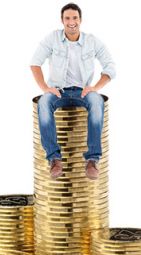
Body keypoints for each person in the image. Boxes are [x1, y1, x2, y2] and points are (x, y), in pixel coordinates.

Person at [30, 3, 116, 180]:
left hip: (82, 92)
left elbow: (110, 67)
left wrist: (95, 87)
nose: (71, 22)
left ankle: (92, 160)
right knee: (44, 102)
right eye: (67, 18)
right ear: (62, 20)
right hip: (58, 92)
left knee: (97, 101)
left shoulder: (91, 41)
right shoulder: (52, 38)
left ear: (80, 20)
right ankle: (54, 158)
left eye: (75, 18)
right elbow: (35, 63)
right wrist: (46, 88)